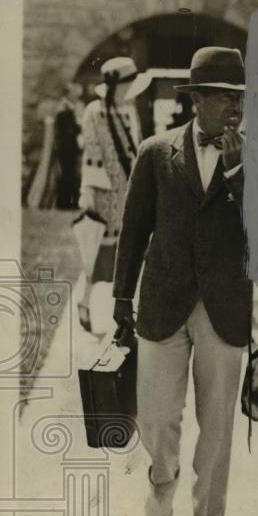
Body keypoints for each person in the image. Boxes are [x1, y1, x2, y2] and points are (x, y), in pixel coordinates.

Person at [112, 47, 250, 516]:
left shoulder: (256, 156)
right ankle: (161, 477)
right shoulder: (154, 152)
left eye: (240, 98)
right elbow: (133, 230)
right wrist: (121, 295)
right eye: (222, 98)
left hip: (224, 304)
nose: (234, 109)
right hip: (163, 298)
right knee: (156, 415)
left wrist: (238, 174)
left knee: (216, 420)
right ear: (197, 100)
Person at [73, 57, 150, 333]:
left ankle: (127, 308)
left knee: (129, 253)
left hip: (127, 192)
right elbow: (92, 155)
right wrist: (88, 195)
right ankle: (84, 302)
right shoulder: (95, 112)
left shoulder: (129, 111)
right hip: (104, 195)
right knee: (98, 254)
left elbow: (137, 148)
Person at [54, 82, 86, 210]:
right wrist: (79, 128)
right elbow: (68, 130)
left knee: (70, 174)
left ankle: (67, 202)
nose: (75, 96)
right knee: (68, 174)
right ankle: (65, 203)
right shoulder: (63, 108)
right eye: (73, 93)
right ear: (67, 94)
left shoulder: (68, 107)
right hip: (67, 147)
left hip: (69, 146)